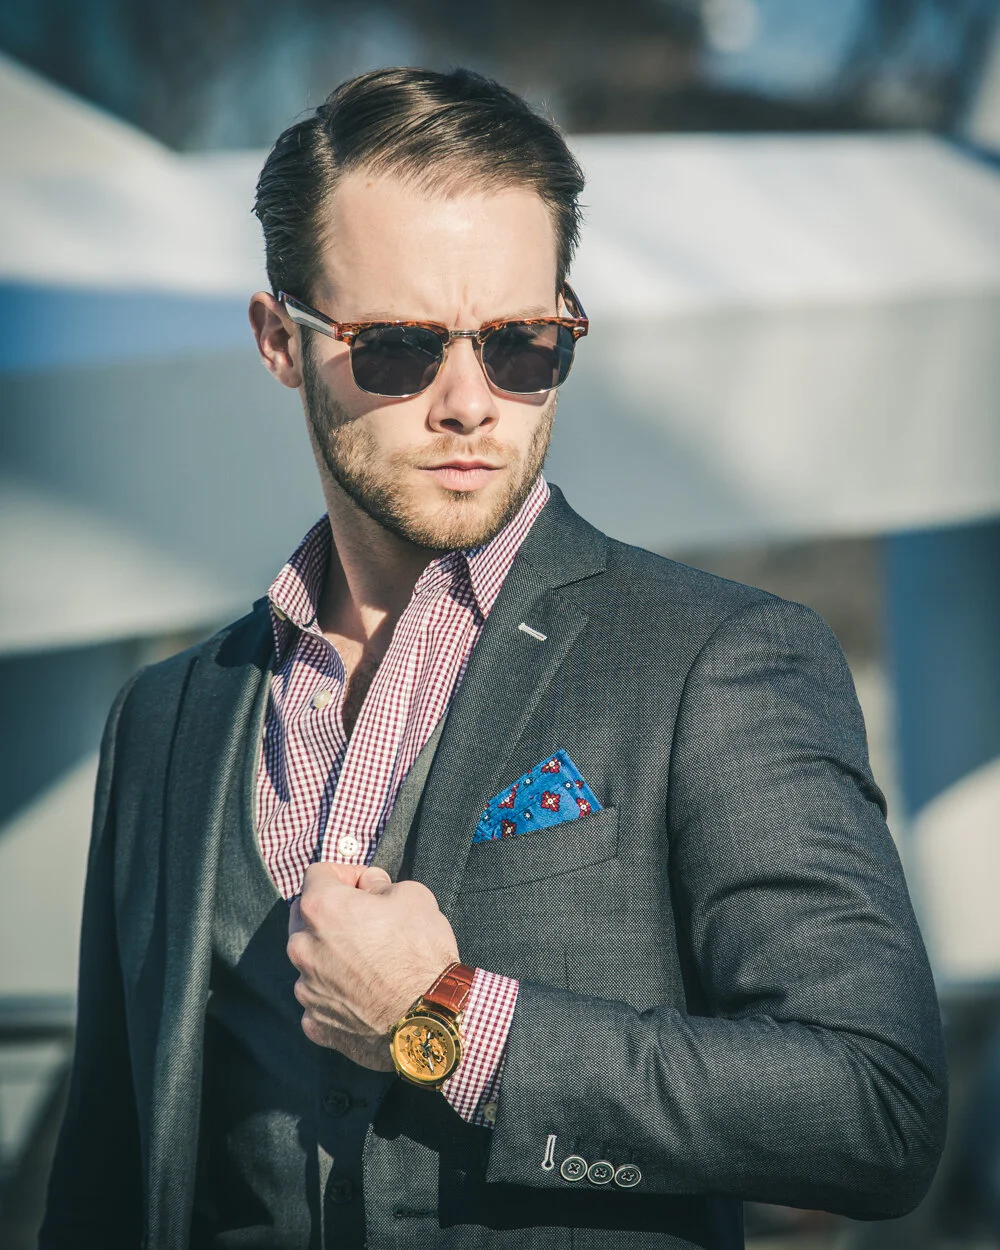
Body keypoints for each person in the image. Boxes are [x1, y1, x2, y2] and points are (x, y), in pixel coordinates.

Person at [40, 67, 947, 1250]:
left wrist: (451, 1018)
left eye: (522, 344)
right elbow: (111, 1168)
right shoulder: (165, 718)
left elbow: (872, 1107)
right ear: (280, 341)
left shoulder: (714, 659)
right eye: (402, 347)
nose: (471, 402)